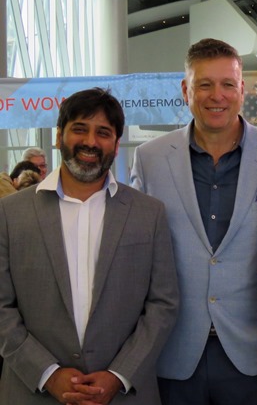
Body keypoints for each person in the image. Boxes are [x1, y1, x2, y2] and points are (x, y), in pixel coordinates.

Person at [130, 38, 257, 405]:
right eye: (204, 84)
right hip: (173, 354)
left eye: (227, 84)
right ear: (186, 90)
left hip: (254, 354)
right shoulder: (150, 158)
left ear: (242, 90)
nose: (215, 95)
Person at [0, 87, 179, 404]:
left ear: (116, 143)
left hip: (124, 394)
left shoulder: (148, 213)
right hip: (33, 392)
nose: (91, 142)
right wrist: (47, 374)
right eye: (79, 129)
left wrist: (119, 374)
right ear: (58, 136)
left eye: (103, 132)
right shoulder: (10, 214)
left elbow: (163, 304)